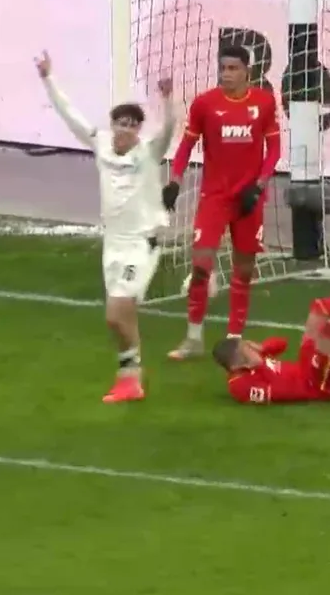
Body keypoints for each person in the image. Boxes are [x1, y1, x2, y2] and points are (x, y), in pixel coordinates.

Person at [35, 51, 177, 403]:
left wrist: (168, 100)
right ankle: (131, 379)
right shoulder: (100, 143)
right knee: (121, 316)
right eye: (121, 123)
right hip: (113, 243)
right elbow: (70, 115)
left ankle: (130, 375)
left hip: (141, 242)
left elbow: (169, 130)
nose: (126, 129)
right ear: (113, 124)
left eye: (132, 124)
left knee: (116, 313)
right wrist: (48, 78)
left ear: (138, 130)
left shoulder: (148, 152)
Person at [164, 46, 282, 359]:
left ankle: (234, 340)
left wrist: (258, 186)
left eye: (233, 68)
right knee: (201, 266)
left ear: (247, 71)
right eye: (223, 68)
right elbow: (186, 146)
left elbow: (274, 150)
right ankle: (193, 339)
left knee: (243, 272)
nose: (226, 74)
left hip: (248, 200)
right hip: (214, 197)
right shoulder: (205, 104)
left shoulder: (264, 102)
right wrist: (174, 181)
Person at [213, 267, 330, 404]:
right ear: (238, 365)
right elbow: (281, 394)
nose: (249, 347)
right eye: (246, 349)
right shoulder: (240, 385)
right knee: (326, 330)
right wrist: (262, 365)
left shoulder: (253, 360)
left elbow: (282, 344)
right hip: (316, 385)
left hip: (304, 368)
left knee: (318, 309)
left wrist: (263, 348)